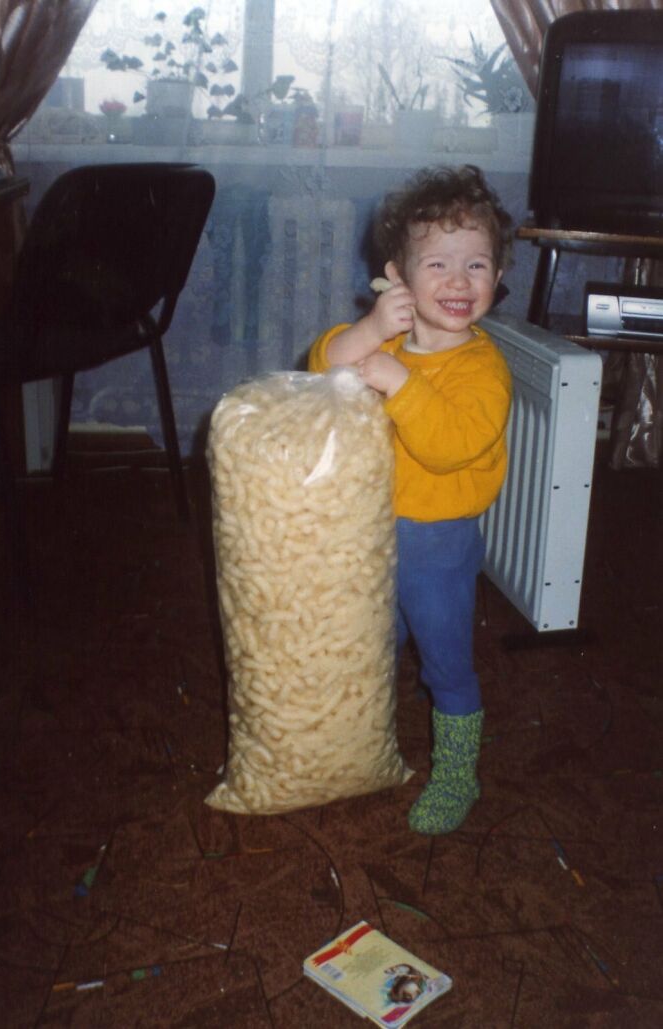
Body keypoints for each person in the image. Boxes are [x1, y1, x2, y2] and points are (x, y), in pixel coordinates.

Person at [308, 164, 513, 835]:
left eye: (477, 263)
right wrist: (370, 332)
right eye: (439, 264)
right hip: (372, 531)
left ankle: (459, 774)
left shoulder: (484, 368)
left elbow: (450, 443)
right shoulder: (389, 340)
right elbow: (321, 370)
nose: (459, 281)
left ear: (497, 275)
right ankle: (364, 749)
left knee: (445, 659)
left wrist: (399, 382)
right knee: (373, 644)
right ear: (398, 275)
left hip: (439, 543)